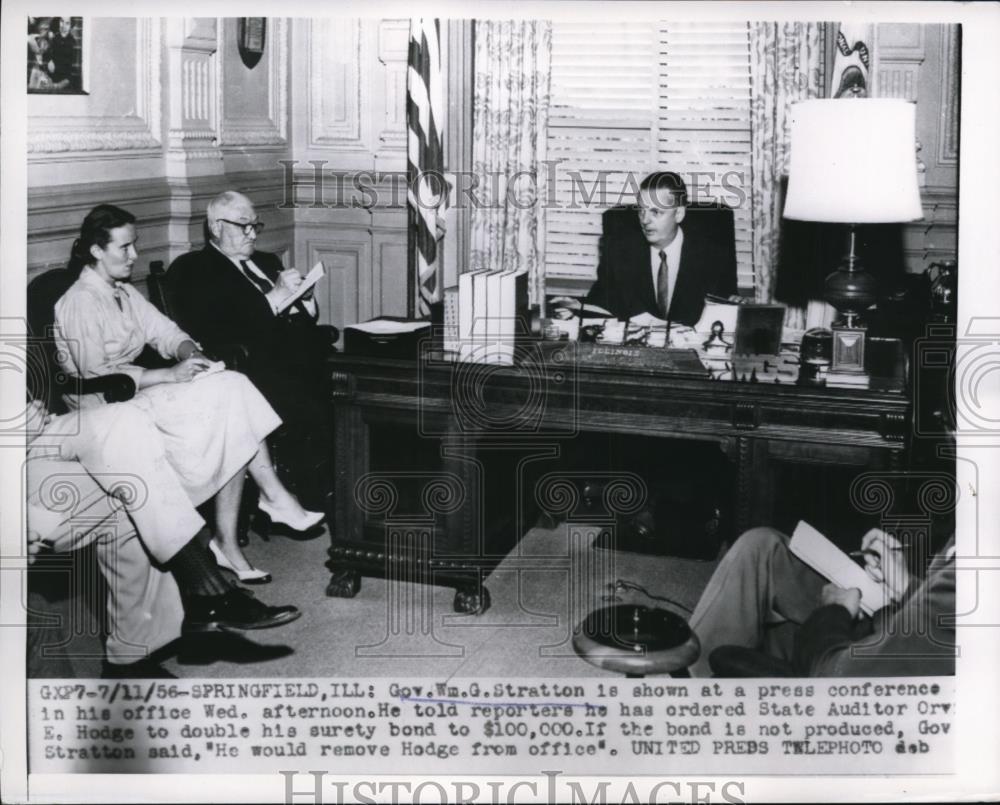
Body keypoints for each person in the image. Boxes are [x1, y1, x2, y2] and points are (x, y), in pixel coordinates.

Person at [53, 204, 323, 586]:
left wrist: (191, 355)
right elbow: (94, 374)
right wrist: (167, 374)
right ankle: (260, 509)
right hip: (107, 412)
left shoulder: (124, 293)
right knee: (231, 408)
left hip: (139, 393)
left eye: (135, 246)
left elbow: (166, 332)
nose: (134, 256)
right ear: (96, 251)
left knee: (230, 386)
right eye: (124, 248)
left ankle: (248, 520)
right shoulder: (80, 300)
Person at [25, 399, 300, 678]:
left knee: (123, 425)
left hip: (35, 436)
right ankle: (204, 589)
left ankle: (148, 643)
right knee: (129, 481)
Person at [168, 191, 334, 514]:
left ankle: (346, 485)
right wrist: (274, 298)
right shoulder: (194, 271)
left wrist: (306, 297)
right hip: (255, 372)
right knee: (312, 402)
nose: (253, 234)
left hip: (302, 358)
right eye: (243, 226)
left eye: (255, 225)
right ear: (216, 227)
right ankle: (320, 495)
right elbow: (217, 333)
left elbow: (304, 318)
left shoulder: (267, 261)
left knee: (353, 390)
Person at [687, 526, 956, 677]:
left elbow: (833, 678)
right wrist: (906, 587)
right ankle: (683, 687)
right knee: (763, 549)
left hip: (857, 676)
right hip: (896, 623)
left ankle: (681, 717)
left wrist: (833, 612)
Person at [585, 171, 737, 327]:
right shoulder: (619, 252)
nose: (645, 220)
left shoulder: (713, 257)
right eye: (641, 210)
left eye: (655, 212)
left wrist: (738, 309)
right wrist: (574, 311)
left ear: (678, 213)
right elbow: (598, 305)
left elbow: (723, 316)